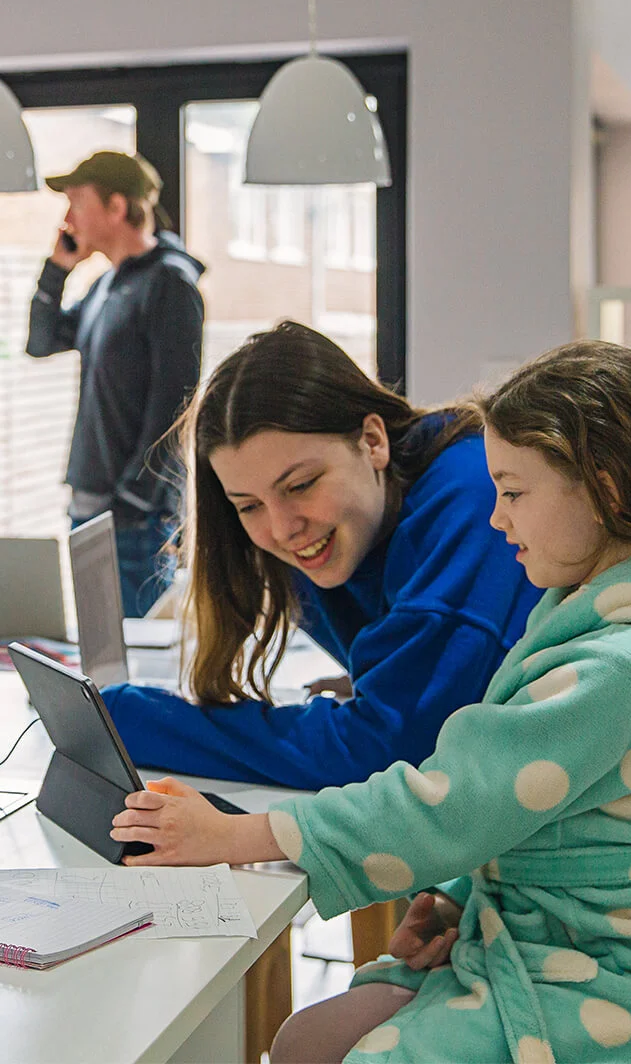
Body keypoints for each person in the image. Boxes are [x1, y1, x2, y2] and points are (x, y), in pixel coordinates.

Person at [112, 340, 631, 1064]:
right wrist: (452, 894)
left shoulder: (622, 665)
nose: (497, 519)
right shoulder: (579, 610)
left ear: (601, 489)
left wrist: (236, 835)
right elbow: (528, 800)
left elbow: (451, 798)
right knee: (306, 1039)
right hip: (551, 930)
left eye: (511, 494)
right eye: (249, 505)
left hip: (619, 970)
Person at [101, 320, 541, 788]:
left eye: (301, 485)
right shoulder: (339, 522)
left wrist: (133, 719)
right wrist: (390, 679)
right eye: (248, 505)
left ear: (372, 442)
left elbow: (385, 752)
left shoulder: (473, 498)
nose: (282, 528)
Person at [26, 150, 205, 616]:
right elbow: (41, 342)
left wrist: (131, 501)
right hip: (89, 506)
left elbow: (177, 406)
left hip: (133, 518)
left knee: (136, 660)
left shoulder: (170, 283)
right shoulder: (106, 285)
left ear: (117, 207)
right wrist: (57, 270)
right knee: (101, 656)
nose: (68, 218)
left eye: (77, 202)